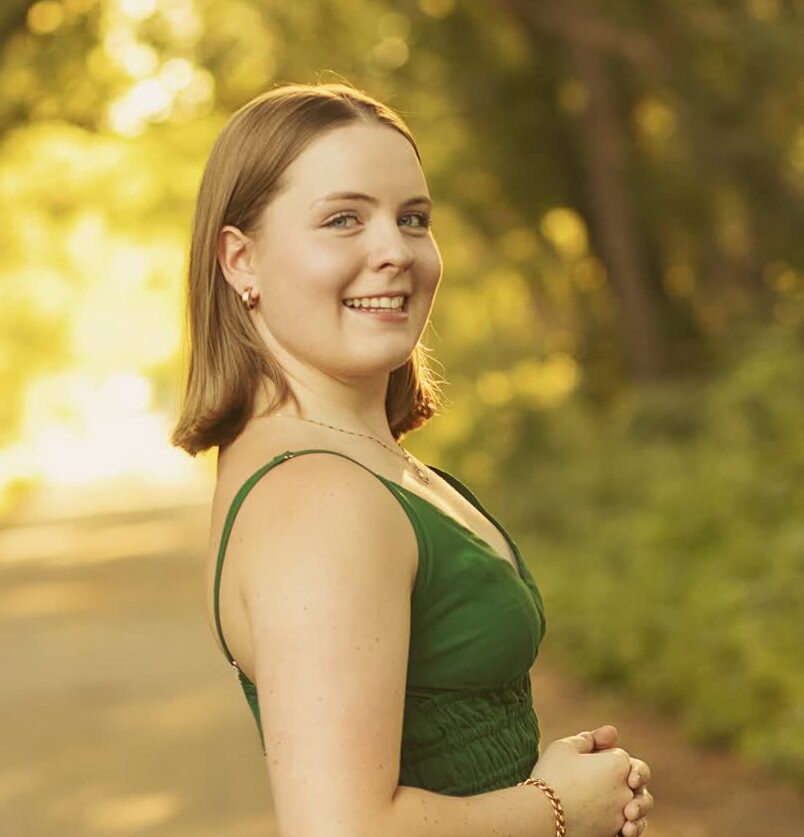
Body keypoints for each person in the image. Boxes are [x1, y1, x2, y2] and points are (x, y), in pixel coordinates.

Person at [172, 81, 653, 836]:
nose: (394, 250)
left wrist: (550, 778)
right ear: (241, 261)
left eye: (413, 219)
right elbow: (343, 829)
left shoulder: (356, 461)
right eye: (342, 219)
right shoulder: (318, 496)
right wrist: (561, 807)